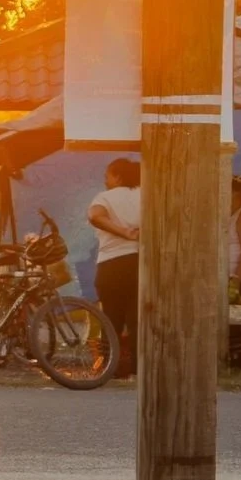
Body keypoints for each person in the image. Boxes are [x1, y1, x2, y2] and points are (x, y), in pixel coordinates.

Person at [88, 157, 142, 378]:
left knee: (111, 317)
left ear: (118, 177)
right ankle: (139, 369)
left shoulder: (105, 197)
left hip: (111, 263)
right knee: (137, 318)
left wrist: (124, 232)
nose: (105, 181)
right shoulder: (146, 195)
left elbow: (95, 216)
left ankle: (111, 368)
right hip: (140, 262)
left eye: (107, 176)